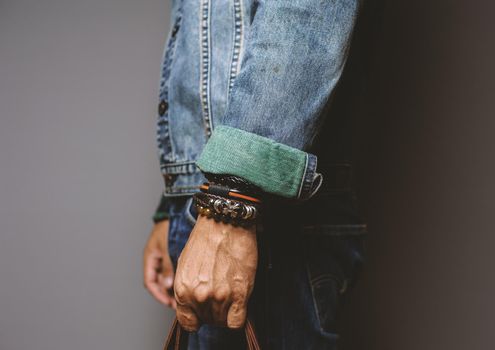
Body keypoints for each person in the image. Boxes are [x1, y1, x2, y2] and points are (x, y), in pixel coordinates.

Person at [143, 0, 367, 348]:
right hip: (210, 203)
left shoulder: (230, 208)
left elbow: (303, 16)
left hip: (259, 213)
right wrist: (174, 203)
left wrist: (227, 206)